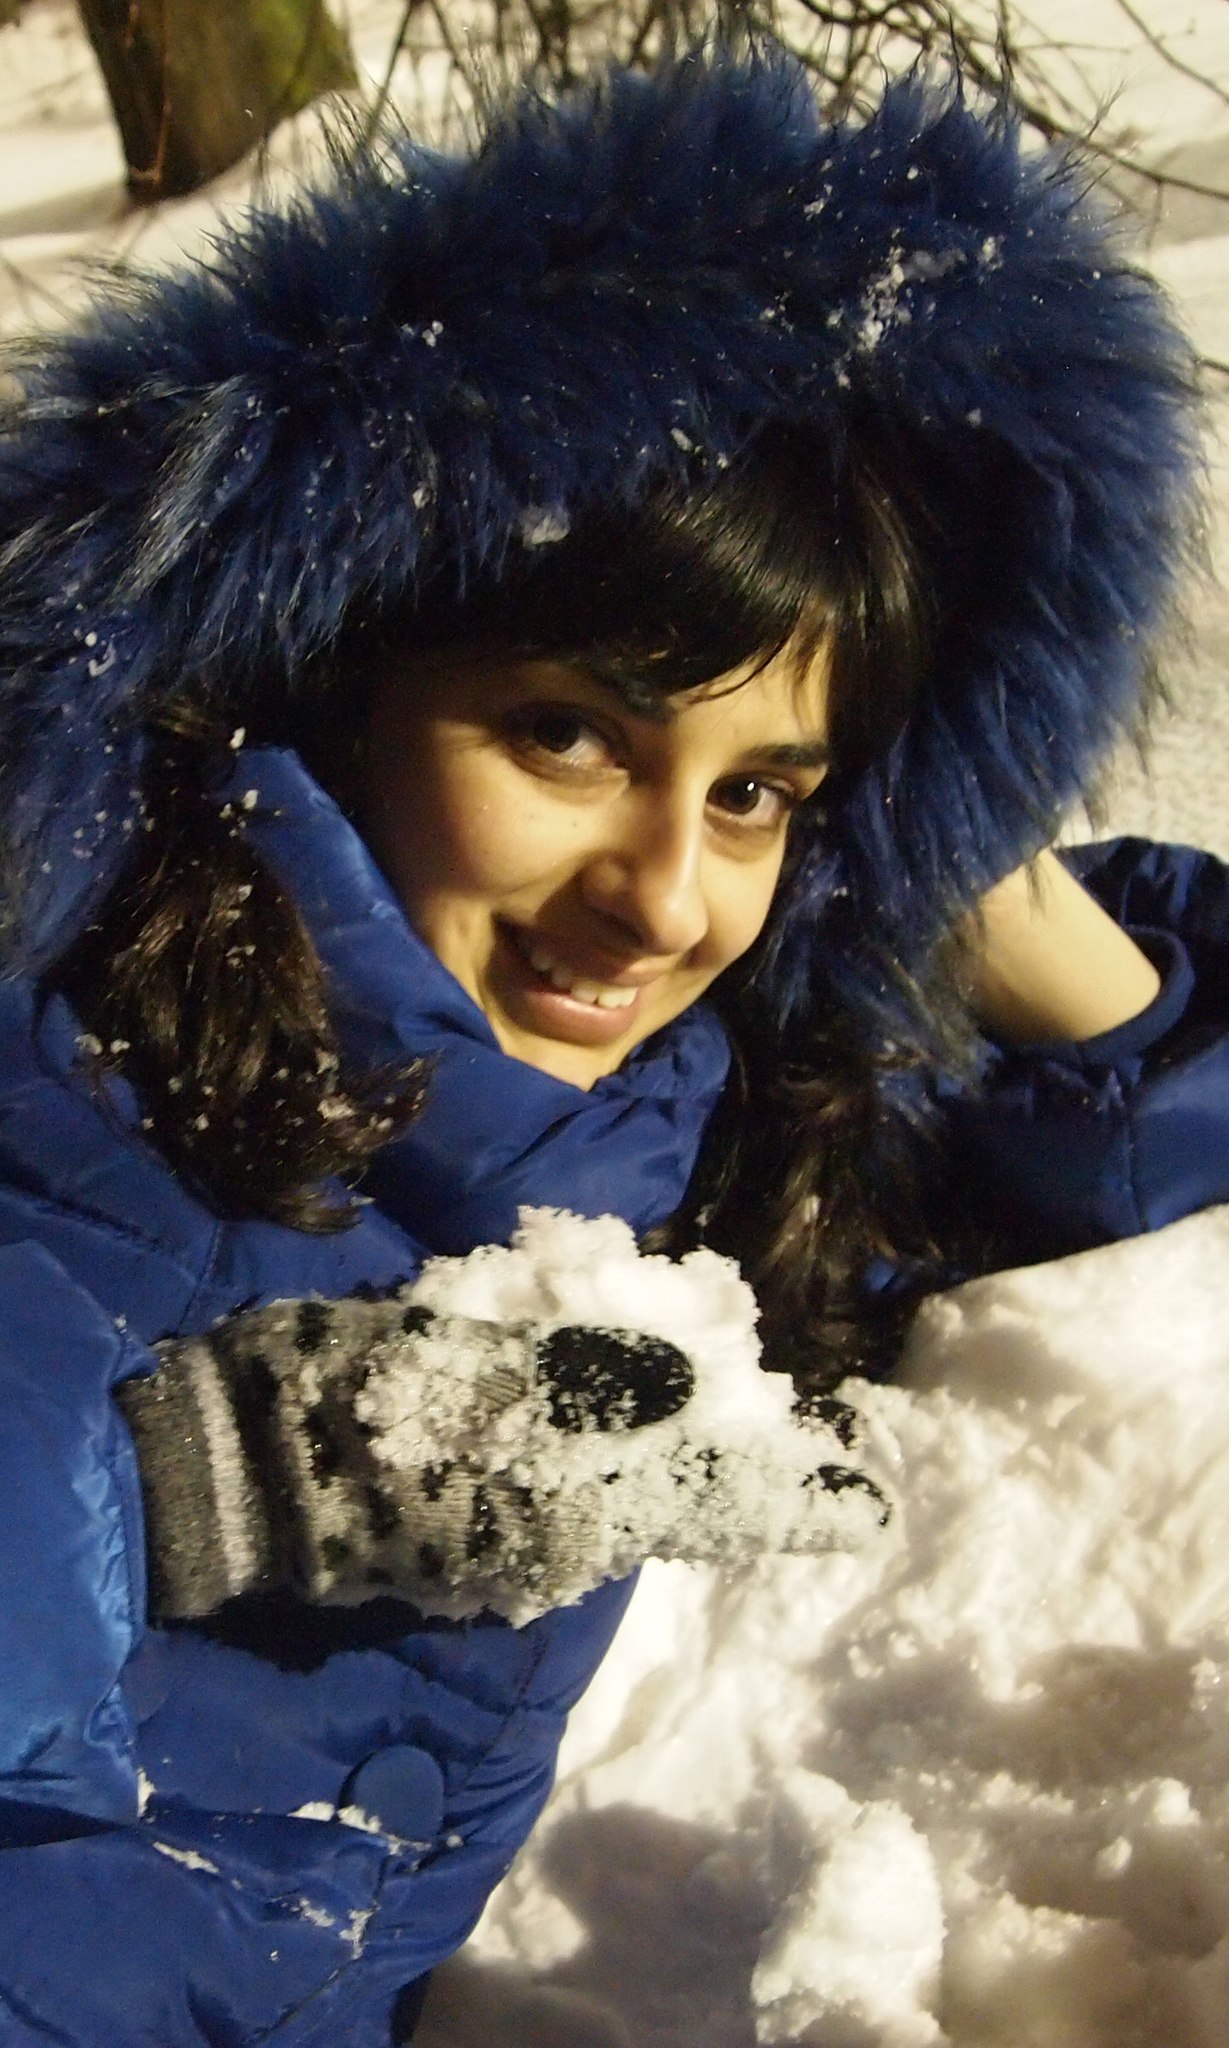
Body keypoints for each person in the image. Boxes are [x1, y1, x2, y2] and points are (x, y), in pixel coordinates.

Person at [0, 40, 1227, 2048]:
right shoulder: (62, 1065)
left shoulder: (666, 1136)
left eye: (755, 794)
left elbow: (1135, 1171)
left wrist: (945, 850)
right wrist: (205, 1482)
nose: (661, 900)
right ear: (324, 667)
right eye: (568, 735)